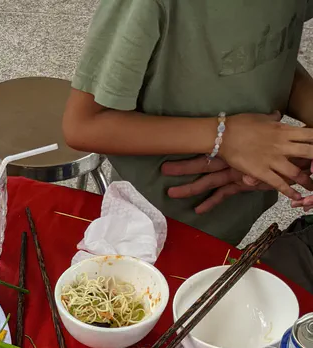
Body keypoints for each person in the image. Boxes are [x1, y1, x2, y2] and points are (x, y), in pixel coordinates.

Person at [62, 0, 313, 244]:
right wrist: (224, 136)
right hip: (153, 225)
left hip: (242, 204)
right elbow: (83, 125)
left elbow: (268, 53)